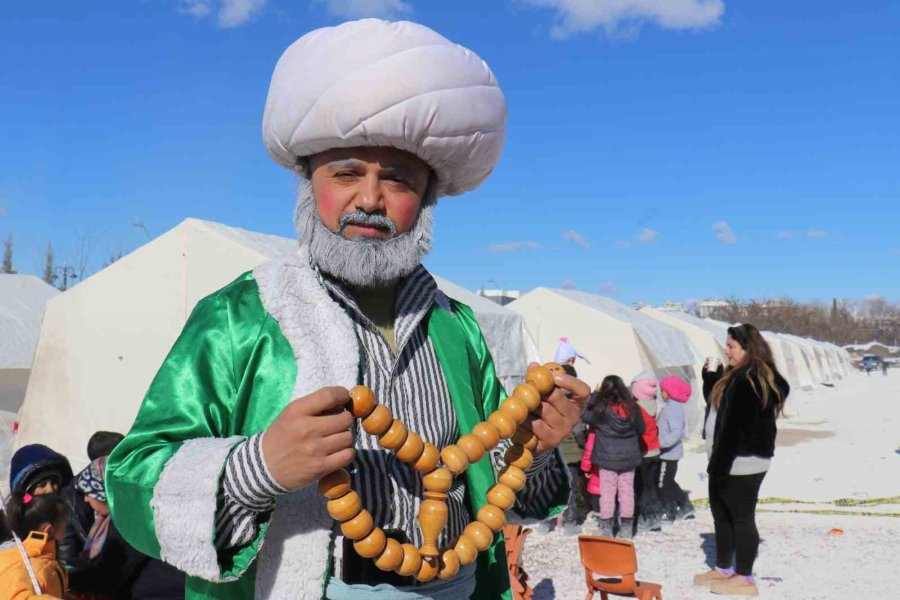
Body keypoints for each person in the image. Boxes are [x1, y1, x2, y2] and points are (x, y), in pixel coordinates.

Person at [105, 19, 589, 600]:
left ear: (426, 199)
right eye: (347, 173)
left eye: (398, 179)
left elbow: (509, 500)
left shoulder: (457, 328)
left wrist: (533, 448)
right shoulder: (240, 317)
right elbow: (132, 479)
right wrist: (260, 466)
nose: (370, 199)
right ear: (310, 184)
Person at [694, 324, 789, 597]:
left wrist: (720, 465)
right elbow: (718, 408)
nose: (727, 351)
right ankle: (723, 568)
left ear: (748, 349)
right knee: (721, 516)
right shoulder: (735, 376)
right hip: (724, 459)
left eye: (731, 346)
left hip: (742, 460)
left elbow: (735, 427)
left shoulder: (749, 379)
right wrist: (710, 380)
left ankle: (744, 578)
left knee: (741, 518)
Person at [66, 457, 185, 599]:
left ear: (104, 492)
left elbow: (108, 575)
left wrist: (62, 579)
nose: (86, 499)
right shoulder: (130, 513)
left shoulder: (130, 523)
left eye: (88, 493)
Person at [582, 375, 645, 539]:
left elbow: (585, 416)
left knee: (607, 495)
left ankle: (607, 530)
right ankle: (626, 530)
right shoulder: (633, 407)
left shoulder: (601, 409)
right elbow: (642, 429)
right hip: (629, 458)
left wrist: (594, 396)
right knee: (627, 493)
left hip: (606, 458)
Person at [7, 445, 81, 564]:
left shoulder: (68, 510)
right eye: (42, 485)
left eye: (54, 482)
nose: (50, 489)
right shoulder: (18, 526)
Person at [0, 490, 69, 598]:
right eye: (64, 523)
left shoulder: (45, 557)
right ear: (49, 531)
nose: (66, 527)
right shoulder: (23, 566)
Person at [556, 363, 590, 535]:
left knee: (553, 488)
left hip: (553, 453)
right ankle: (570, 522)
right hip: (571, 455)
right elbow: (578, 430)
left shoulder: (549, 400)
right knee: (573, 489)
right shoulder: (574, 403)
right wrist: (585, 445)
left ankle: (548, 522)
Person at [656, 376, 694, 521]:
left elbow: (676, 433)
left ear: (670, 392)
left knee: (662, 483)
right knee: (668, 481)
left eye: (663, 391)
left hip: (668, 454)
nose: (661, 394)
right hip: (668, 453)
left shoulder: (672, 409)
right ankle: (685, 505)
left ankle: (668, 510)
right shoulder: (673, 408)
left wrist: (659, 443)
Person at [630, 373, 663, 533]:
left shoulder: (637, 408)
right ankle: (656, 518)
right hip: (655, 450)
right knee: (651, 486)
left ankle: (646, 518)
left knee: (641, 487)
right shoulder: (653, 404)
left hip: (642, 452)